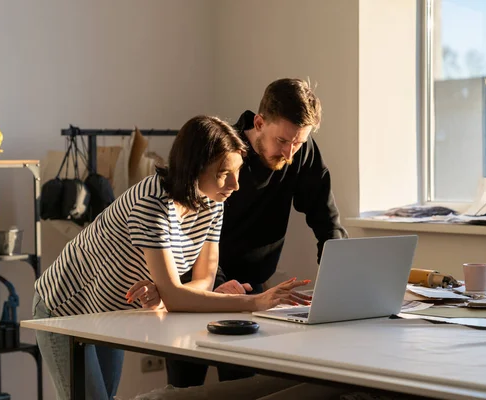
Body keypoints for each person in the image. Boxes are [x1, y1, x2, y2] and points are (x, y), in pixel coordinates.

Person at [32, 115, 312, 400]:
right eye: (224, 172)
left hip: (109, 313)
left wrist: (166, 295)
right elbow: (178, 298)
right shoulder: (152, 203)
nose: (235, 184)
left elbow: (203, 280)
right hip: (64, 309)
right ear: (195, 168)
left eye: (237, 171)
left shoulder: (212, 202)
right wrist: (255, 302)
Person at [128, 78, 348, 388]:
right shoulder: (221, 157)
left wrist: (341, 281)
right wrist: (216, 286)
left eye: (297, 143)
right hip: (194, 285)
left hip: (251, 287)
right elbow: (193, 234)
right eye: (283, 141)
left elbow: (327, 222)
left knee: (241, 387)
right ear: (259, 122)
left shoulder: (301, 150)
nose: (289, 153)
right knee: (184, 388)